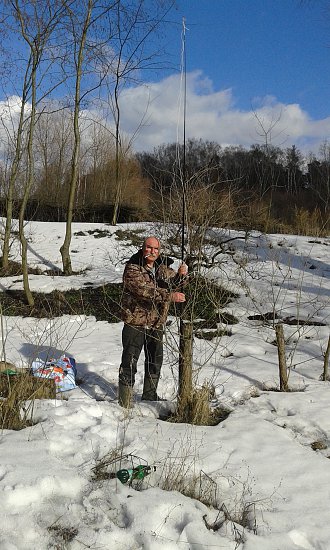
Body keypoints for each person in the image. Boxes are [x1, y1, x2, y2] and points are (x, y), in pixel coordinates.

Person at [118, 236, 188, 408]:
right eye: (149, 248)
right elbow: (145, 291)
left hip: (156, 324)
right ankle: (125, 401)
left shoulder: (163, 269)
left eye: (156, 249)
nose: (152, 251)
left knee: (155, 360)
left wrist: (182, 275)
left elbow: (175, 284)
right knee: (130, 361)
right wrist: (169, 296)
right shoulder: (133, 268)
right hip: (135, 323)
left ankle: (150, 396)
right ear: (143, 248)